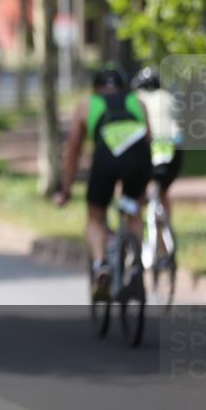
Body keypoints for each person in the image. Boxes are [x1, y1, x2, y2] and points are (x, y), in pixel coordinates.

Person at [54, 65, 152, 298]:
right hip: (138, 158)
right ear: (122, 87)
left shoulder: (86, 104)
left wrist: (66, 190)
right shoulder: (138, 103)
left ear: (95, 88)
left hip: (106, 159)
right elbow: (149, 141)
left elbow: (73, 151)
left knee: (95, 216)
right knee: (134, 211)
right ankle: (135, 263)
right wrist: (144, 186)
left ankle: (101, 264)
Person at [131, 66, 184, 264]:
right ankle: (166, 232)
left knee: (139, 195)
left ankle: (140, 242)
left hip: (149, 150)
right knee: (163, 191)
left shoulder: (136, 99)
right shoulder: (169, 98)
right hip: (173, 152)